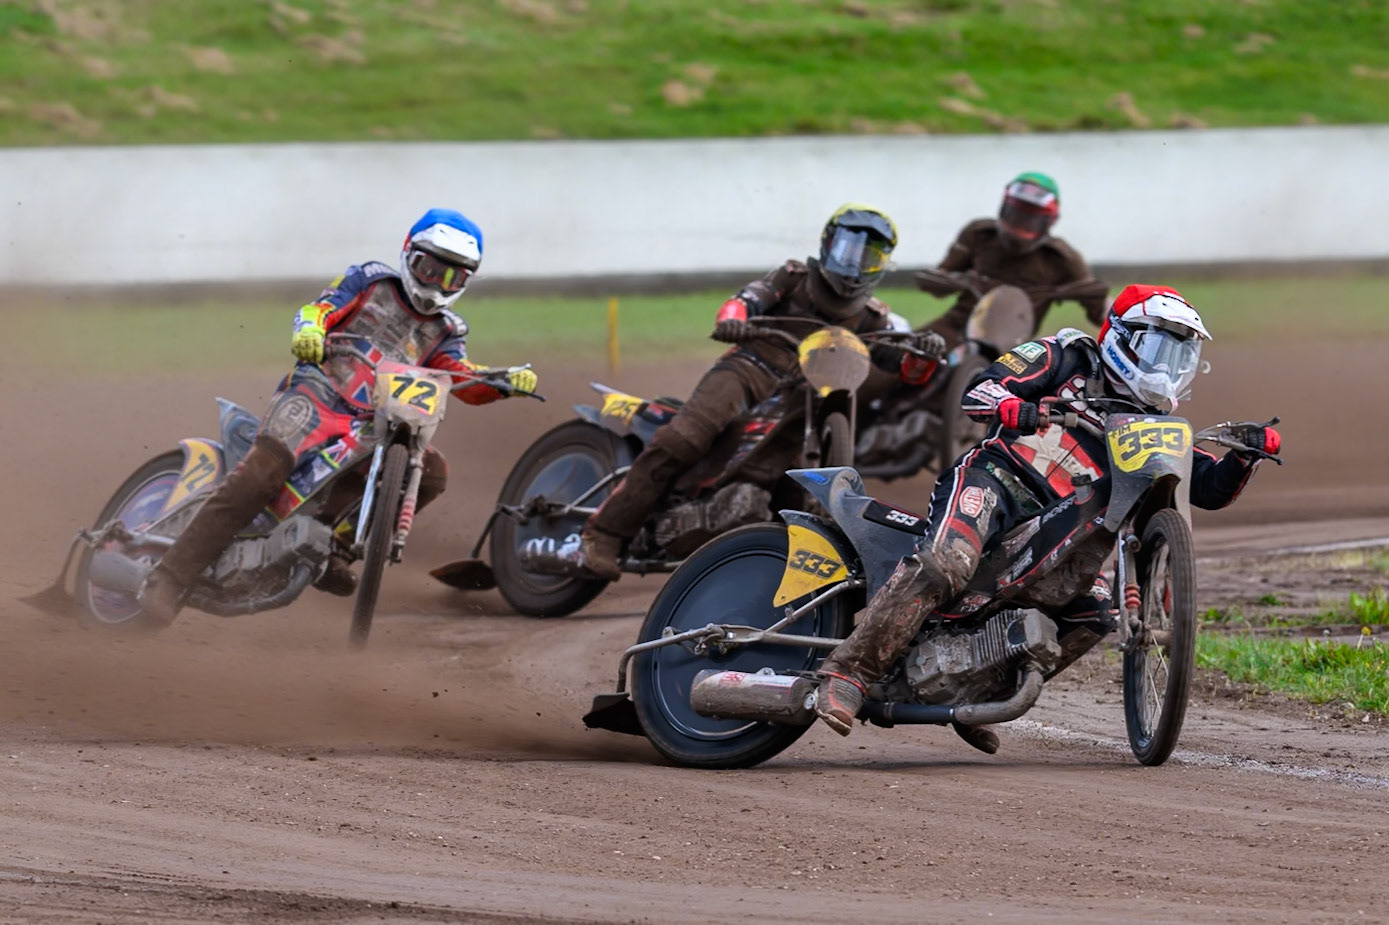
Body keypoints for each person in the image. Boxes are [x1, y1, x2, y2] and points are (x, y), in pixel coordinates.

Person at [814, 284, 1282, 752]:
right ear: (1123, 338)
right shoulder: (1066, 354)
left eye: (1180, 356)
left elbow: (1206, 487)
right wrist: (1012, 405)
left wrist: (1246, 456)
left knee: (1096, 610)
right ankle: (847, 673)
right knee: (945, 562)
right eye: (1158, 348)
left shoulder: (1153, 424)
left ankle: (971, 692)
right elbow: (981, 389)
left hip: (1061, 533)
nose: (1166, 368)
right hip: (998, 481)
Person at [138, 208, 539, 625]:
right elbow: (319, 310)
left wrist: (503, 381)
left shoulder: (448, 330)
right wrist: (310, 331)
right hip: (318, 393)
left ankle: (337, 546)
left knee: (433, 471)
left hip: (373, 424)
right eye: (430, 267)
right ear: (409, 252)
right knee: (263, 471)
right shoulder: (369, 281)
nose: (438, 283)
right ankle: (168, 576)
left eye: (453, 277)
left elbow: (459, 376)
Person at [572, 204, 942, 580]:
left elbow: (907, 369)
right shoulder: (794, 278)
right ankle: (602, 535)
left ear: (883, 265)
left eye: (869, 256)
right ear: (829, 243)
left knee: (789, 488)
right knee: (686, 439)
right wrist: (733, 322)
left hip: (804, 395)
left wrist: (925, 352)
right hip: (749, 368)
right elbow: (745, 300)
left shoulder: (873, 318)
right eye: (849, 249)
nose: (855, 264)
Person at [918, 172, 1107, 349]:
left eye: (1031, 219)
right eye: (1016, 214)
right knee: (901, 358)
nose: (1021, 225)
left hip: (1012, 344)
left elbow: (1100, 309)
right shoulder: (979, 233)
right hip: (955, 325)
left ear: (1049, 221)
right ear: (1003, 207)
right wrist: (958, 280)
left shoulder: (1062, 257)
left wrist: (1118, 312)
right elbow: (939, 280)